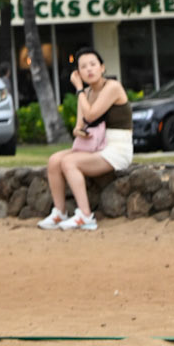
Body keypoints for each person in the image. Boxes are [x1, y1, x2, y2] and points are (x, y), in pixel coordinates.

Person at [40, 47, 132, 232]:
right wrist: (79, 131)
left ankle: (86, 216)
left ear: (102, 68)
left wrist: (79, 89)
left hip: (116, 149)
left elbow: (90, 115)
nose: (89, 69)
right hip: (96, 146)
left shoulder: (112, 87)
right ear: (78, 72)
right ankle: (59, 212)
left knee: (69, 162)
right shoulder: (87, 93)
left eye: (93, 64)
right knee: (54, 161)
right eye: (83, 66)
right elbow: (79, 125)